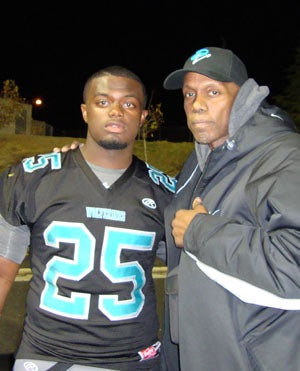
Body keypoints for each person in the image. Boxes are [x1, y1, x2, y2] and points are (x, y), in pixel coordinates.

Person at [0, 65, 177, 371]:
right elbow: (2, 273)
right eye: (103, 101)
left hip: (133, 357)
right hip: (45, 355)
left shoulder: (166, 193)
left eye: (129, 104)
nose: (117, 112)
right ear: (85, 111)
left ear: (143, 117)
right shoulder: (32, 177)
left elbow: (191, 278)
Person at [160, 46, 300, 371]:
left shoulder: (285, 157)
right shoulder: (198, 163)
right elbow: (176, 240)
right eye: (188, 94)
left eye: (213, 92)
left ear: (245, 97)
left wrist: (200, 232)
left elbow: (294, 262)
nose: (196, 105)